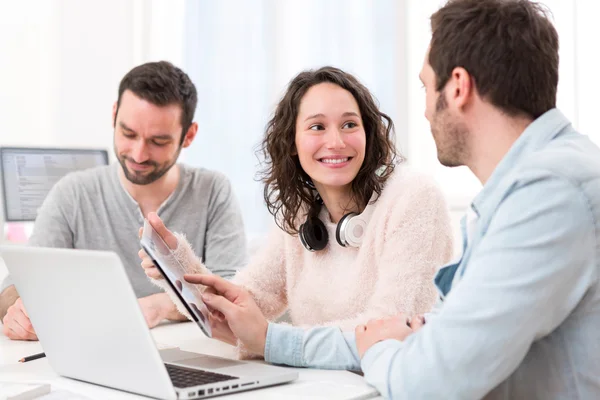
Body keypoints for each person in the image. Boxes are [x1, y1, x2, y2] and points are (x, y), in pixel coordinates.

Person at [172, 0, 600, 398]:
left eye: (425, 88)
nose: (427, 112)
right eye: (316, 127)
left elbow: (430, 375)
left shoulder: (549, 195)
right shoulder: (534, 186)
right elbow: (436, 335)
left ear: (457, 88)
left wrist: (376, 341)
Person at [140, 66, 454, 356]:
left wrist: (271, 340)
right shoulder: (302, 212)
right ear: (292, 142)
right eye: (317, 126)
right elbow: (246, 306)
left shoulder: (414, 199)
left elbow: (388, 331)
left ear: (368, 134)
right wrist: (176, 264)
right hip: (320, 386)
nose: (335, 141)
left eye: (349, 124)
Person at [0, 61, 247, 341]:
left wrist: (159, 306)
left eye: (158, 141)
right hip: (95, 351)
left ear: (188, 135)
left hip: (192, 353)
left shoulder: (213, 191)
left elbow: (232, 292)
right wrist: (17, 311)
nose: (139, 154)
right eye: (128, 134)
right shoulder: (73, 193)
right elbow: (16, 285)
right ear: (114, 115)